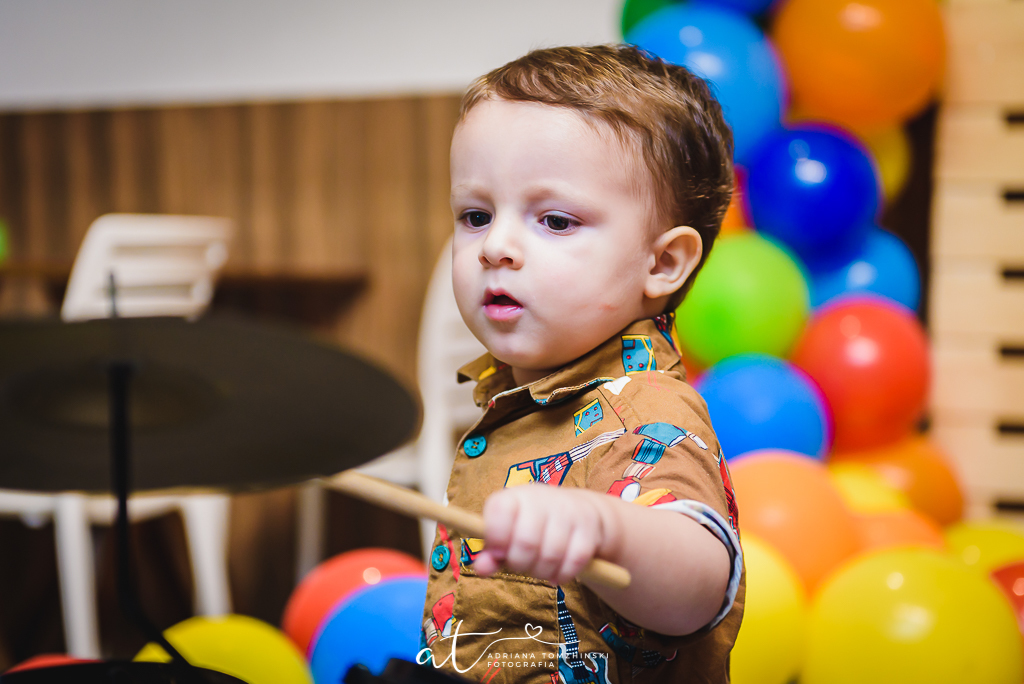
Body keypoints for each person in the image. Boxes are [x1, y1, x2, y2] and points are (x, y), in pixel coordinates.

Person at [420, 45, 743, 684]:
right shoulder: (516, 399)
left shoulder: (641, 410)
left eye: (556, 220)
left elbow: (703, 585)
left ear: (663, 264)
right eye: (476, 216)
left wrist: (605, 528)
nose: (498, 247)